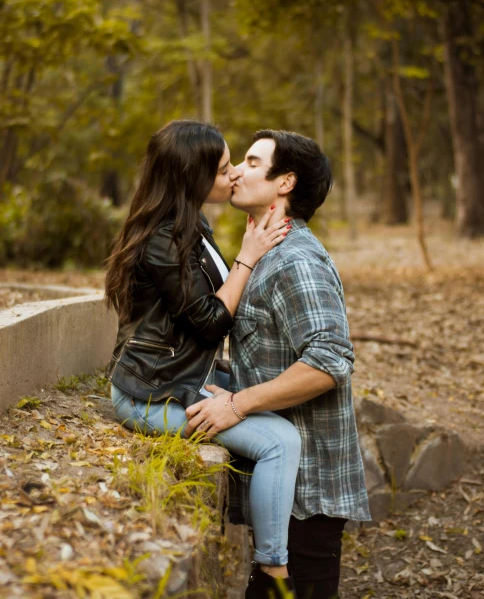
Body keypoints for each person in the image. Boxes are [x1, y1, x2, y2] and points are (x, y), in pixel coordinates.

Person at [105, 119, 300, 599]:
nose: (233, 175)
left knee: (279, 403)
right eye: (223, 168)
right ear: (193, 176)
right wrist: (247, 257)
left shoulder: (191, 222)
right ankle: (273, 577)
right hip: (149, 394)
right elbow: (212, 321)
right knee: (280, 441)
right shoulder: (163, 239)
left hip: (186, 374)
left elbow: (209, 306)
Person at [185, 129, 371, 599]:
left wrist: (239, 404)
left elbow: (330, 361)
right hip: (285, 484)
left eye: (251, 161)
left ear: (285, 182)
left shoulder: (296, 261)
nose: (237, 172)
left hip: (308, 486)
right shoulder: (269, 251)